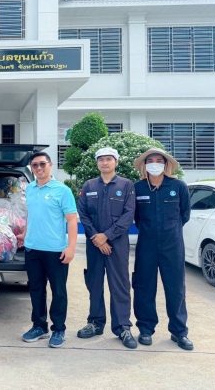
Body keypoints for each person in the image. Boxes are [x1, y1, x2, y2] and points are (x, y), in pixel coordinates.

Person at [132, 148, 193, 351]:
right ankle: (146, 329)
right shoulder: (138, 188)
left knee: (175, 288)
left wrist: (169, 230)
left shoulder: (178, 186)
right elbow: (136, 218)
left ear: (166, 165)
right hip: (146, 244)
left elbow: (184, 214)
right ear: (145, 165)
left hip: (172, 245)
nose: (155, 164)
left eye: (159, 160)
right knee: (144, 286)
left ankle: (179, 331)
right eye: (151, 161)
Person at [77, 147, 137, 349]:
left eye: (109, 159)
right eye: (101, 159)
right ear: (97, 163)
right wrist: (97, 238)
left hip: (117, 244)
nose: (104, 162)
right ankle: (95, 322)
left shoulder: (126, 185)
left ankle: (123, 327)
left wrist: (107, 236)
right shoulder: (89, 185)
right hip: (94, 243)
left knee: (120, 284)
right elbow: (83, 213)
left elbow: (129, 214)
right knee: (94, 283)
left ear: (116, 162)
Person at [17, 151, 78, 348]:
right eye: (35, 165)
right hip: (32, 249)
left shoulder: (62, 190)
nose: (39, 168)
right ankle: (39, 326)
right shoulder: (30, 189)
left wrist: (71, 247)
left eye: (42, 164)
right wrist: (25, 233)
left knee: (58, 291)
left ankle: (58, 328)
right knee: (36, 289)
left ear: (50, 165)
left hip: (55, 250)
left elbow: (71, 220)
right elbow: (31, 214)